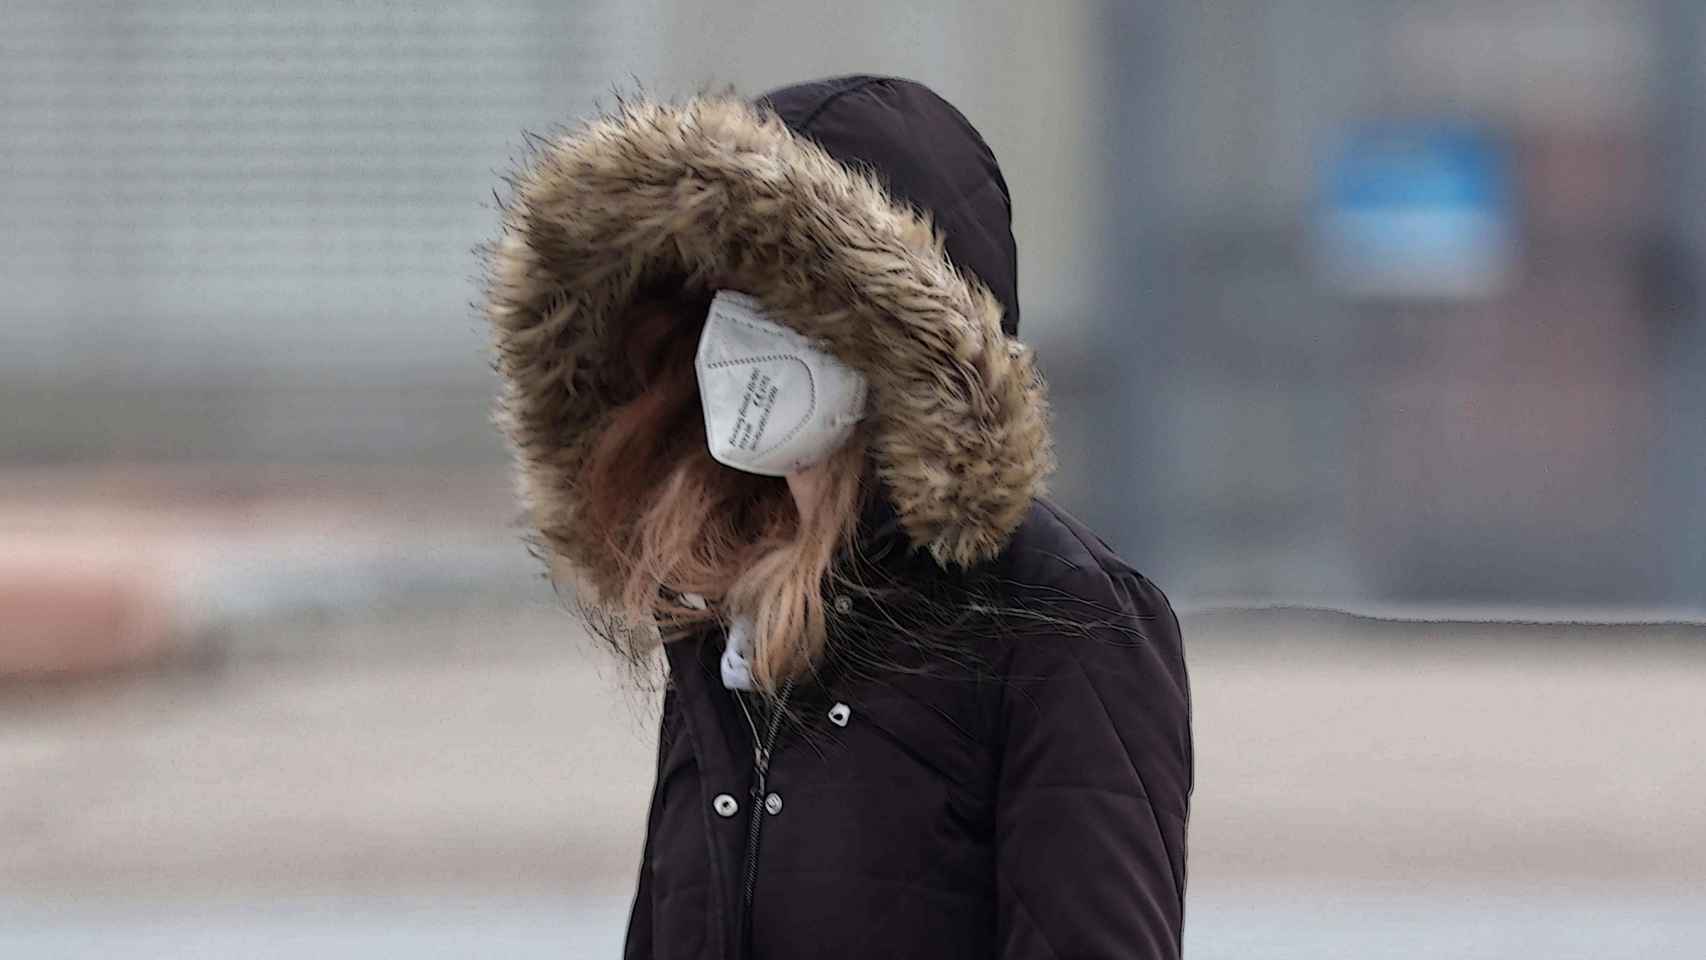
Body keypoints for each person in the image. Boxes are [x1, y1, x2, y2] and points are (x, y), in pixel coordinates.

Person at [484, 75, 1192, 960]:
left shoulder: (1063, 618)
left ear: (896, 339)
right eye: (726, 296)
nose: (740, 339)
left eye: (789, 302)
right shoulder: (718, 608)